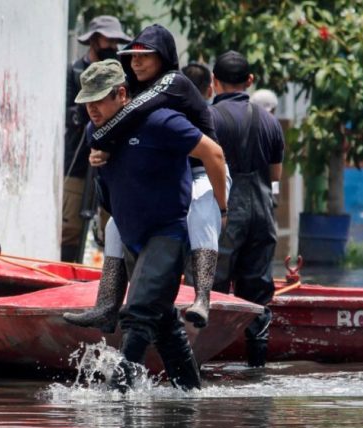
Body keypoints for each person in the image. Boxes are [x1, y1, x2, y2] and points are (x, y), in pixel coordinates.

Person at [72, 59, 227, 390]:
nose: (92, 109)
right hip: (132, 237)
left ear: (122, 93)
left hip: (168, 234)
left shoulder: (161, 122)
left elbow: (213, 153)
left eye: (99, 99)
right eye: (87, 102)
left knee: (139, 313)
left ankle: (117, 396)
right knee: (164, 322)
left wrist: (222, 208)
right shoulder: (95, 133)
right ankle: (191, 393)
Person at [209, 50, 284, 368]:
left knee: (211, 286)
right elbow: (276, 175)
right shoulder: (269, 120)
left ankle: (205, 363)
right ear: (250, 81)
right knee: (257, 290)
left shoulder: (208, 117)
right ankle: (257, 366)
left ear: (214, 82)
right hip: (262, 211)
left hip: (225, 210)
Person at [62, 15, 131, 262]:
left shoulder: (121, 72)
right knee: (69, 226)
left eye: (116, 41)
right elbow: (68, 111)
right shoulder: (75, 70)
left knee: (111, 226)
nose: (113, 46)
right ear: (93, 40)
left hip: (112, 158)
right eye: (108, 40)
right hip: (78, 158)